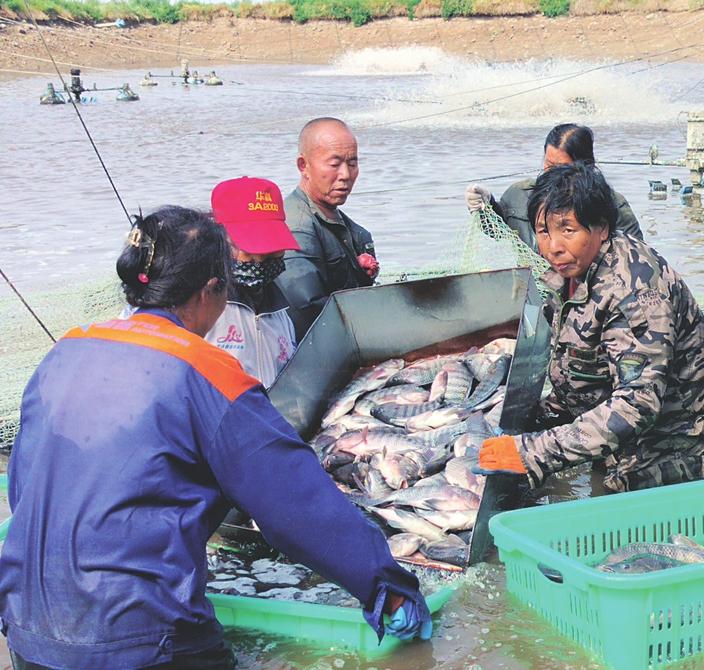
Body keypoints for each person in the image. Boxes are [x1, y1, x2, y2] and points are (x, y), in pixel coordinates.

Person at [0, 207, 431, 669]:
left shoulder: (66, 351)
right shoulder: (208, 373)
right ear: (211, 291)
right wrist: (385, 584)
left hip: (28, 628)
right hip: (141, 637)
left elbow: (26, 487)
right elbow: (296, 506)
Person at [474, 163, 704, 494]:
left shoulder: (634, 289)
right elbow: (587, 366)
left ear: (601, 228)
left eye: (568, 230)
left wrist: (534, 450)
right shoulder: (570, 274)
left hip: (685, 445)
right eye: (543, 232)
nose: (553, 246)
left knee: (647, 541)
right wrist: (532, 417)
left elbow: (638, 403)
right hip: (625, 438)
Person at [277, 117, 379, 341]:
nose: (345, 175)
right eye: (334, 164)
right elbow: (308, 306)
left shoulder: (350, 227)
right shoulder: (297, 227)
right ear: (304, 166)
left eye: (352, 163)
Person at [464, 123, 643, 248]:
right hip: (532, 289)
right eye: (548, 165)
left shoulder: (611, 205)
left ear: (586, 166)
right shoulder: (520, 194)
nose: (552, 175)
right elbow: (498, 231)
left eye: (562, 168)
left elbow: (635, 256)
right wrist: (485, 208)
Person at [206, 176, 299, 389]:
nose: (260, 261)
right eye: (250, 252)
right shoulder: (199, 310)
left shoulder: (281, 311)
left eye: (271, 251)